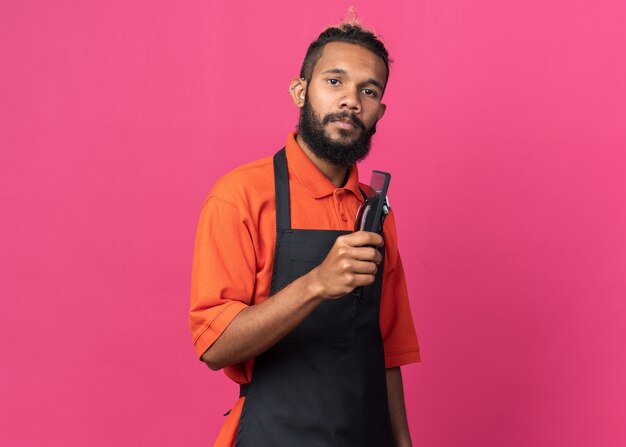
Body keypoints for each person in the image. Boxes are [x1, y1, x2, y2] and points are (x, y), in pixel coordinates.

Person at [190, 21, 420, 447]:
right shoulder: (240, 196)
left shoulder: (376, 211)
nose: (351, 100)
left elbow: (388, 351)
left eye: (369, 91)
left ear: (379, 113)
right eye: (335, 81)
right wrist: (316, 284)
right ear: (300, 91)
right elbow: (215, 345)